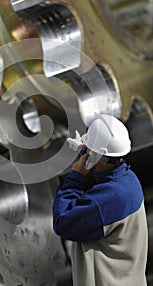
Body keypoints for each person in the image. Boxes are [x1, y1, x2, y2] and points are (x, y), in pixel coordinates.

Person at [52, 114, 148, 286]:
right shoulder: (129, 180)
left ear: (95, 156)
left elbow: (62, 221)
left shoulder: (105, 201)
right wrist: (91, 152)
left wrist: (75, 178)